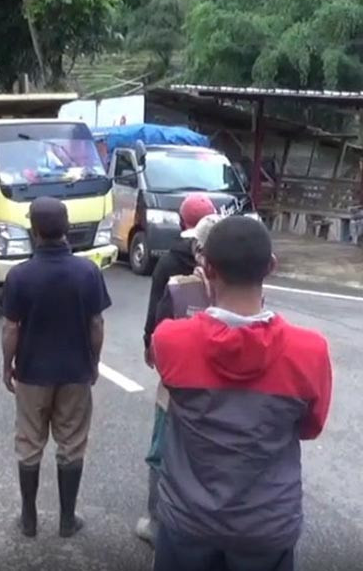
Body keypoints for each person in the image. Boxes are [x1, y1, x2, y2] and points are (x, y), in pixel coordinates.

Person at [152, 216, 333, 571]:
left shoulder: (170, 341)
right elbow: (310, 428)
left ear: (206, 267)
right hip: (267, 524)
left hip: (188, 520)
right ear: (271, 267)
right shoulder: (310, 351)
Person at [0, 197, 111, 539]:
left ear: (33, 230)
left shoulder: (19, 275)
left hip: (32, 373)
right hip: (75, 372)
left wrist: (8, 366)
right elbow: (96, 324)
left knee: (30, 443)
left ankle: (29, 518)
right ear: (66, 228)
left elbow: (11, 328)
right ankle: (66, 519)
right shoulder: (87, 272)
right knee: (71, 444)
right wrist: (93, 363)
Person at [135, 212, 221, 546]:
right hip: (225, 397)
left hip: (176, 392)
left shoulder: (179, 288)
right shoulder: (248, 291)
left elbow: (159, 341)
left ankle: (157, 523)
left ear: (200, 249)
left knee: (160, 453)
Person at [143, 193, 217, 365]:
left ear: (182, 222)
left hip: (177, 347)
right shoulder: (223, 260)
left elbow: (156, 308)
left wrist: (149, 342)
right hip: (215, 346)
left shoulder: (168, 262)